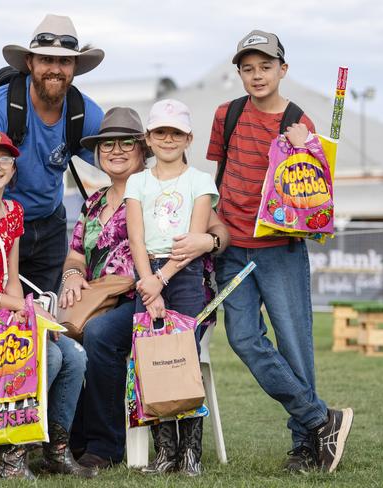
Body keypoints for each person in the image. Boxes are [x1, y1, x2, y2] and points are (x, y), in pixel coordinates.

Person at [206, 30, 353, 473]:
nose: (257, 75)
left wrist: (309, 148)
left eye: (265, 66)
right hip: (232, 248)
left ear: (282, 70)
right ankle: (319, 419)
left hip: (281, 251)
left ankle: (305, 445)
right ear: (239, 73)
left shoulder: (298, 120)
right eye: (248, 68)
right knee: (244, 339)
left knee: (294, 345)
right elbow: (220, 175)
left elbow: (315, 193)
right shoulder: (226, 115)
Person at [0, 130, 95, 480]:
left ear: (13, 168)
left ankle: (55, 448)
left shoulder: (14, 211)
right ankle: (11, 455)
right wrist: (22, 308)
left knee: (73, 354)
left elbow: (12, 277)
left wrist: (23, 310)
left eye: (5, 159)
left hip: (2, 306)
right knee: (48, 355)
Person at [0, 14, 105, 295]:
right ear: (30, 63)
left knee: (42, 311)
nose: (55, 69)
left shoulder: (83, 112)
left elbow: (121, 164)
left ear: (74, 67)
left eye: (64, 61)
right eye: (46, 60)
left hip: (50, 226)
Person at [125, 99, 220, 477]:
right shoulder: (138, 182)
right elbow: (136, 238)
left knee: (186, 358)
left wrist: (160, 280)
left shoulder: (199, 181)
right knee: (152, 360)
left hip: (182, 274)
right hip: (147, 273)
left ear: (188, 138)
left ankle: (191, 454)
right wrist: (148, 283)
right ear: (149, 138)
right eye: (160, 132)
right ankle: (165, 453)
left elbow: (193, 239)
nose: (168, 139)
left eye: (176, 133)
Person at [58, 107, 148, 469]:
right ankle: (67, 438)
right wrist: (73, 276)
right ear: (97, 152)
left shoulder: (156, 192)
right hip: (99, 297)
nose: (116, 150)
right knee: (59, 339)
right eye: (107, 143)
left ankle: (105, 446)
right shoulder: (93, 203)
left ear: (142, 150)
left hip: (143, 298)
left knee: (100, 334)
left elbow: (215, 226)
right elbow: (75, 255)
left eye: (126, 142)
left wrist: (210, 241)